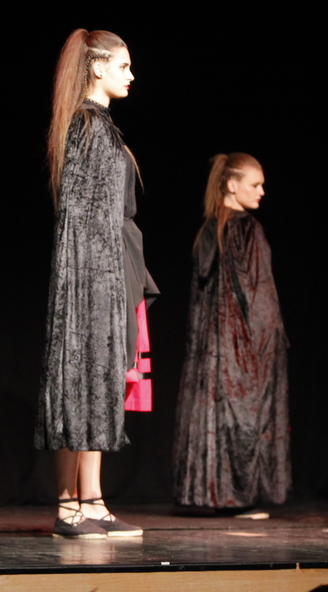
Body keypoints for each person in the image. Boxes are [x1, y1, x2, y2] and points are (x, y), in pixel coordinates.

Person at [35, 29, 158, 539]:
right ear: (98, 67)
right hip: (90, 274)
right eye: (124, 65)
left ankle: (93, 501)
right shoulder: (87, 126)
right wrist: (92, 285)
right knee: (80, 378)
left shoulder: (102, 127)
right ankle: (71, 504)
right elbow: (79, 218)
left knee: (97, 380)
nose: (132, 75)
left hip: (108, 269)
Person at [173, 153, 291, 512]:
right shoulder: (246, 230)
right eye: (255, 184)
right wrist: (271, 341)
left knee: (213, 410)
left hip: (211, 348)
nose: (262, 191)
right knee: (242, 413)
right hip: (240, 346)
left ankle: (209, 493)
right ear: (231, 185)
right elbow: (258, 295)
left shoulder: (211, 229)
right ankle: (235, 495)